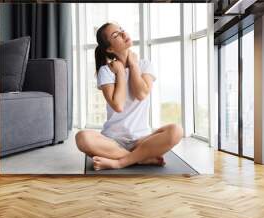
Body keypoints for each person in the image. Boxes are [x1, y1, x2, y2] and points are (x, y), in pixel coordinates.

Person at [75, 22, 183, 170]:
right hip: (112, 140)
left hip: (141, 139)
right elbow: (118, 106)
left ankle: (120, 161)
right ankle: (141, 158)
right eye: (116, 35)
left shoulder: (144, 65)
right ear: (110, 48)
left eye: (122, 30)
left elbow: (141, 94)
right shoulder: (106, 71)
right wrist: (119, 72)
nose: (124, 34)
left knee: (176, 130)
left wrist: (133, 66)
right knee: (82, 138)